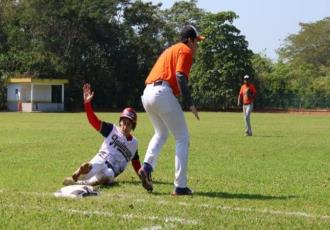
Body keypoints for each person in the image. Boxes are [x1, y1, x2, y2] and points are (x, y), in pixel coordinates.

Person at [138, 25, 204, 196]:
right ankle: (180, 186)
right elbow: (180, 75)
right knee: (182, 137)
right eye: (196, 41)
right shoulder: (185, 50)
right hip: (162, 92)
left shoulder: (170, 50)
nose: (197, 45)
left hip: (147, 94)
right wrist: (190, 103)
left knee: (161, 133)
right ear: (189, 40)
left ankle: (146, 167)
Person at [63, 83, 141, 186]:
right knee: (94, 166)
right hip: (102, 158)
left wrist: (143, 177)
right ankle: (82, 172)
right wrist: (87, 103)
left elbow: (136, 163)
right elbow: (93, 121)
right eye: (124, 122)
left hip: (112, 169)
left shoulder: (134, 143)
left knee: (107, 175)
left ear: (133, 126)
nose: (125, 126)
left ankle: (81, 182)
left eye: (129, 124)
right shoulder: (111, 129)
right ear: (120, 122)